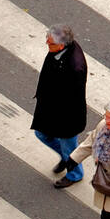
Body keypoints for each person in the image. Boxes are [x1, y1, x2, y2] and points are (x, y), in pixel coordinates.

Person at [31, 24, 88, 187]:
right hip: (52, 110)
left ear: (62, 45)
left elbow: (71, 98)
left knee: (69, 147)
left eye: (51, 43)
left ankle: (75, 174)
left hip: (66, 117)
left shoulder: (75, 66)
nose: (47, 45)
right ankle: (66, 158)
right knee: (42, 135)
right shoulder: (59, 50)